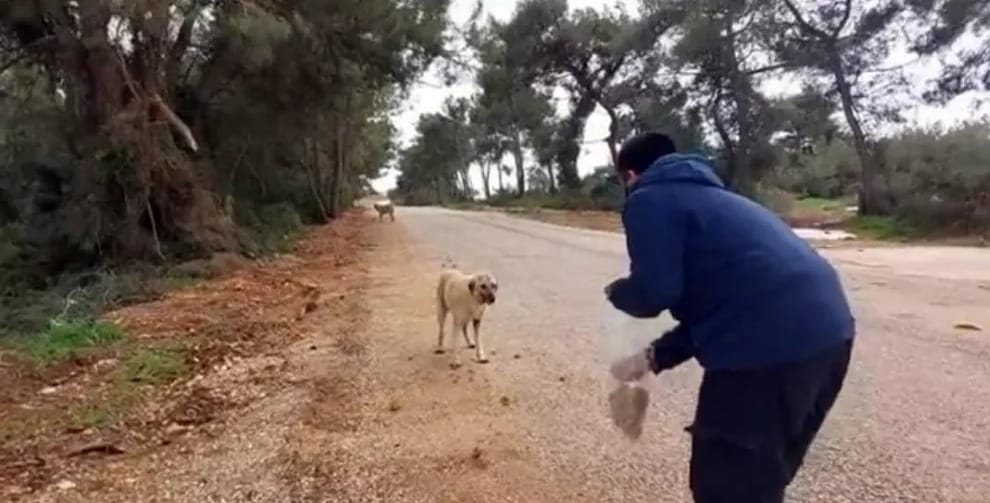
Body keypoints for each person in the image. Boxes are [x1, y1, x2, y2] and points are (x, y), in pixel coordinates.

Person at [605, 132, 855, 503]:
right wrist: (652, 358)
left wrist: (618, 292)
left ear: (629, 175)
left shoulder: (649, 198)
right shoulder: (721, 199)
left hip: (767, 349)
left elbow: (655, 292)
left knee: (726, 484)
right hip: (830, 337)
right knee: (761, 477)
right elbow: (726, 304)